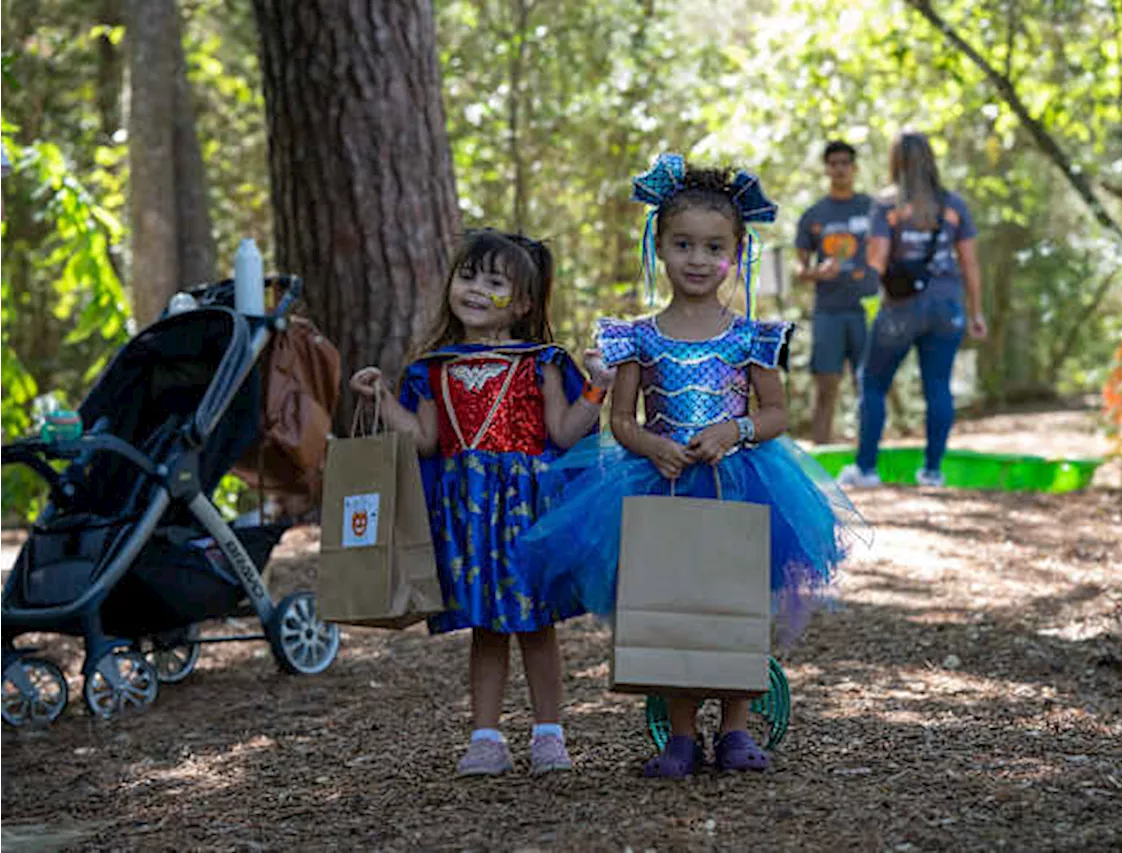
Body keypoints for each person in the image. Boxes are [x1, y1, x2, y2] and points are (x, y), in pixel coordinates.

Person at [519, 154, 869, 779]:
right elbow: (621, 419)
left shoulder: (750, 337)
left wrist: (732, 430)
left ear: (738, 253)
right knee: (672, 602)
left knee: (735, 603)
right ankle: (680, 735)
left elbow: (777, 413)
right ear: (660, 246)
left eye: (714, 247)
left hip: (741, 483)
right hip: (662, 484)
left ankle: (735, 729)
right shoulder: (638, 337)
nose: (698, 260)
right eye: (683, 244)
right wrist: (650, 445)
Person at [348, 229, 614, 777]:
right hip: (468, 515)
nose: (473, 289)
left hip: (528, 514)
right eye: (467, 276)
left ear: (523, 303)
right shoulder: (433, 369)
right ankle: (485, 737)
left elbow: (565, 433)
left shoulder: (541, 362)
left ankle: (549, 735)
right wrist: (381, 399)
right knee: (486, 627)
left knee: (537, 623)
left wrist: (597, 387)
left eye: (494, 282)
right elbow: (423, 441)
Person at [840, 131, 987, 489]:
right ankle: (932, 471)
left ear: (895, 161)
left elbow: (876, 260)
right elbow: (969, 263)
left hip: (901, 309)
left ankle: (866, 469)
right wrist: (976, 312)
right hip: (948, 306)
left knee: (872, 382)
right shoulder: (953, 205)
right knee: (938, 386)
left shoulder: (887, 205)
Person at [794, 140, 877, 444]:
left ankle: (869, 455)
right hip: (829, 309)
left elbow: (890, 254)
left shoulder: (872, 209)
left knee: (869, 383)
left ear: (854, 168)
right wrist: (818, 272)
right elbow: (799, 269)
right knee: (826, 385)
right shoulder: (814, 215)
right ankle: (822, 456)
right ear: (827, 169)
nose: (840, 168)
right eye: (834, 163)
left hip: (868, 306)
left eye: (845, 163)